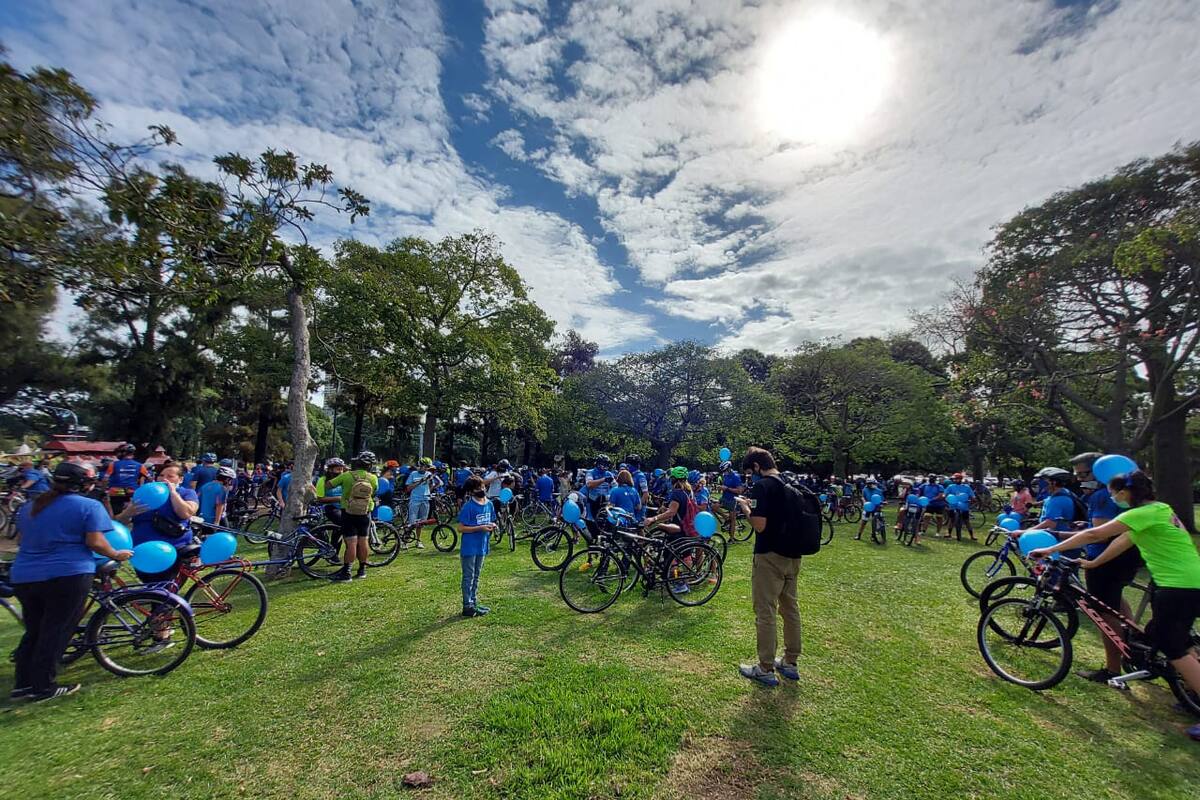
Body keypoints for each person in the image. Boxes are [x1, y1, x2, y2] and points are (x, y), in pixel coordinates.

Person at [1028, 470, 1200, 742]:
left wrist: (1049, 550)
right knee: (1174, 637)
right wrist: (1095, 564)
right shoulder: (1159, 509)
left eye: (1114, 492)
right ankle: (1190, 693)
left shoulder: (1139, 514)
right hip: (1188, 582)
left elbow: (1095, 534)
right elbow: (1123, 541)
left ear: (1126, 492)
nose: (1112, 497)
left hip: (1177, 586)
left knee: (1173, 648)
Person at [9, 462, 134, 701]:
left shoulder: (29, 507)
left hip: (25, 575)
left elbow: (23, 540)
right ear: (82, 484)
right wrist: (117, 555)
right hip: (67, 574)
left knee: (34, 630)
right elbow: (95, 542)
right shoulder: (88, 506)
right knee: (57, 630)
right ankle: (43, 687)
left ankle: (23, 684)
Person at [1064, 451, 1138, 682]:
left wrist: (1064, 540)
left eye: (1083, 474)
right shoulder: (1127, 492)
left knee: (1104, 614)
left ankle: (1112, 669)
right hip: (1128, 556)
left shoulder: (1101, 495)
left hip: (1105, 559)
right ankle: (1132, 644)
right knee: (1115, 604)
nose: (1079, 479)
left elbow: (1099, 534)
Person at [734, 447, 803, 687]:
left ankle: (765, 667)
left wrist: (745, 508)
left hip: (770, 555)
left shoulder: (763, 486)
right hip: (794, 555)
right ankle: (790, 661)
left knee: (766, 611)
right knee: (790, 609)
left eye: (749, 472)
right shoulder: (790, 482)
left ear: (756, 467)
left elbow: (760, 525)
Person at [127, 461, 199, 582]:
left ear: (180, 479)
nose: (164, 479)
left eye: (170, 476)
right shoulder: (147, 493)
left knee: (164, 593)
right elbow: (122, 520)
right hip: (143, 551)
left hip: (172, 551)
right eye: (161, 475)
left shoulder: (187, 493)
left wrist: (173, 493)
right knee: (150, 589)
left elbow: (186, 513)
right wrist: (128, 512)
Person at [326, 451, 378, 581]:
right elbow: (375, 490)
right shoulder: (372, 477)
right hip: (365, 512)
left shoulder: (347, 476)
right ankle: (362, 570)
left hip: (348, 511)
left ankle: (347, 572)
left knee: (351, 543)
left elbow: (328, 486)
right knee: (363, 541)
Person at [457, 476, 495, 617]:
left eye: (483, 487)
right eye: (478, 488)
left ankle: (474, 602)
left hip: (482, 546)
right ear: (471, 491)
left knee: (477, 576)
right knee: (469, 576)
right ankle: (467, 606)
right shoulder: (468, 507)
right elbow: (460, 528)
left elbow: (490, 520)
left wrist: (492, 525)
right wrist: (480, 527)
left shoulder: (489, 504)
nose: (482, 490)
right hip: (469, 547)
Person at [101, 443, 149, 515]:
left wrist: (104, 491)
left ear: (123, 453)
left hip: (116, 492)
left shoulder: (113, 464)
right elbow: (150, 478)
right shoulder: (140, 465)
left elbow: (105, 479)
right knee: (133, 513)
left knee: (115, 513)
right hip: (132, 492)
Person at [406, 457, 434, 549]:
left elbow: (431, 485)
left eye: (428, 467)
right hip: (415, 499)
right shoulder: (413, 474)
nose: (426, 469)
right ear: (420, 466)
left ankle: (418, 541)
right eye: (425, 467)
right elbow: (409, 488)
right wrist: (421, 481)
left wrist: (428, 493)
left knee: (421, 522)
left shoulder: (429, 474)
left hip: (425, 500)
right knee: (412, 522)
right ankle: (405, 540)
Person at [943, 472, 976, 541]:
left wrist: (973, 500)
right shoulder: (950, 487)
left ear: (961, 479)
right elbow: (945, 494)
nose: (956, 480)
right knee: (951, 520)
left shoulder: (966, 487)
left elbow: (972, 496)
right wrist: (945, 499)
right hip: (953, 506)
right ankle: (949, 533)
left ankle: (972, 535)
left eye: (957, 479)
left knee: (967, 521)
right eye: (955, 479)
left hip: (964, 506)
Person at [583, 455, 615, 521]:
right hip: (593, 501)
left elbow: (615, 487)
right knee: (591, 522)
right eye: (604, 464)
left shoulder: (609, 474)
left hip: (605, 502)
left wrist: (610, 495)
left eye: (607, 464)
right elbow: (589, 484)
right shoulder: (590, 472)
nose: (606, 466)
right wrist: (603, 480)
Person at [718, 460, 743, 540]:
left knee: (733, 519)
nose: (723, 472)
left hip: (733, 500)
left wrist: (727, 488)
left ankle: (732, 538)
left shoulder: (735, 476)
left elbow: (739, 491)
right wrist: (721, 487)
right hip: (725, 498)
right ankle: (726, 518)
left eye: (724, 470)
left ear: (728, 469)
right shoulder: (725, 476)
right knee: (713, 506)